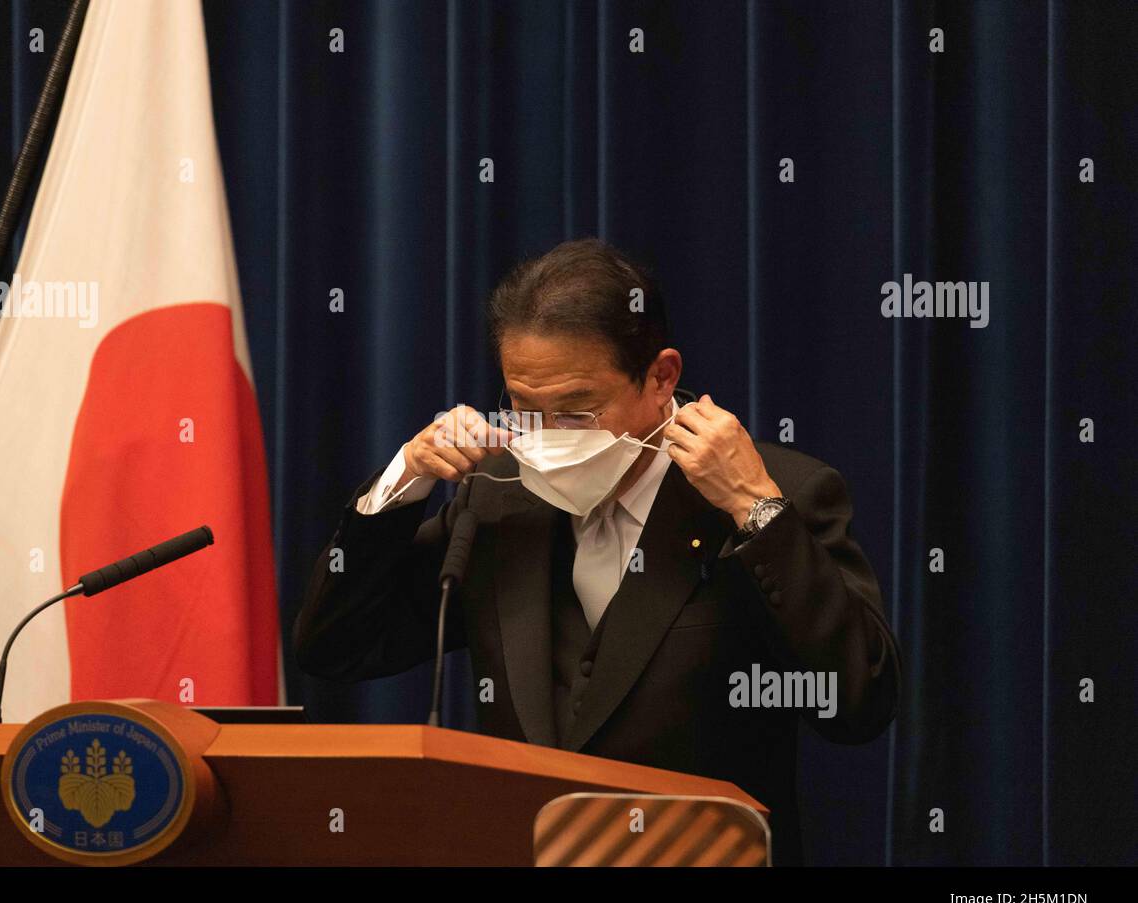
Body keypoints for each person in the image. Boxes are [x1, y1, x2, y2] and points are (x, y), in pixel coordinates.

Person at [293, 237, 900, 865]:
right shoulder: (496, 499)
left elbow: (858, 703)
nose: (550, 438)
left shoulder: (776, 492)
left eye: (578, 411)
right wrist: (402, 482)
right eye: (525, 408)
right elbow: (336, 646)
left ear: (661, 377)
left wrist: (755, 509)